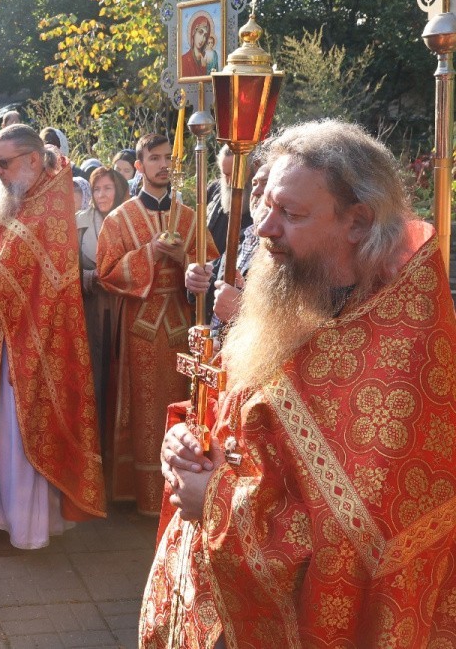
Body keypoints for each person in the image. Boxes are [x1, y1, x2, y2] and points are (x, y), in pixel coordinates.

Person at [140, 119, 456, 646]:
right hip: (212, 596)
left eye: (291, 213)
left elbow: (358, 543)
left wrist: (216, 501)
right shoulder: (293, 294)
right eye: (266, 205)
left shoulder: (402, 353)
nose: (264, 227)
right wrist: (187, 442)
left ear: (357, 222)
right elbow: (236, 413)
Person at [0, 124, 106, 549]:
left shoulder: (51, 208)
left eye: (3, 162)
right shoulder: (15, 199)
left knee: (18, 432)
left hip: (30, 342)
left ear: (33, 160)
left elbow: (33, 283)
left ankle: (24, 526)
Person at [95, 134, 216, 516]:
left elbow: (211, 270)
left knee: (184, 403)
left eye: (168, 158)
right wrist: (149, 252)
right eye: (155, 158)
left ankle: (184, 490)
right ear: (140, 165)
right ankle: (147, 496)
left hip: (183, 324)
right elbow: (107, 272)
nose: (163, 165)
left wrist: (184, 259)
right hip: (141, 328)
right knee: (146, 409)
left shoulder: (190, 216)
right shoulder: (119, 218)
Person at [185, 161, 271, 334]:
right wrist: (199, 277)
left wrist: (242, 313)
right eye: (254, 183)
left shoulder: (289, 249)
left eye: (265, 183)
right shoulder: (242, 237)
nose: (256, 191)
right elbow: (216, 278)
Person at [77, 167, 128, 446]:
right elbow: (66, 268)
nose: (102, 195)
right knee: (93, 373)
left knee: (120, 374)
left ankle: (118, 443)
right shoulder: (79, 222)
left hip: (122, 307)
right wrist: (89, 278)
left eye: (107, 188)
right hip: (91, 308)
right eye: (96, 189)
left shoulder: (128, 219)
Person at [180, 12, 215, 78]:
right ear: (193, 32)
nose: (202, 38)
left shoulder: (208, 58)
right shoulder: (184, 60)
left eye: (205, 35)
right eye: (200, 32)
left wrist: (204, 67)